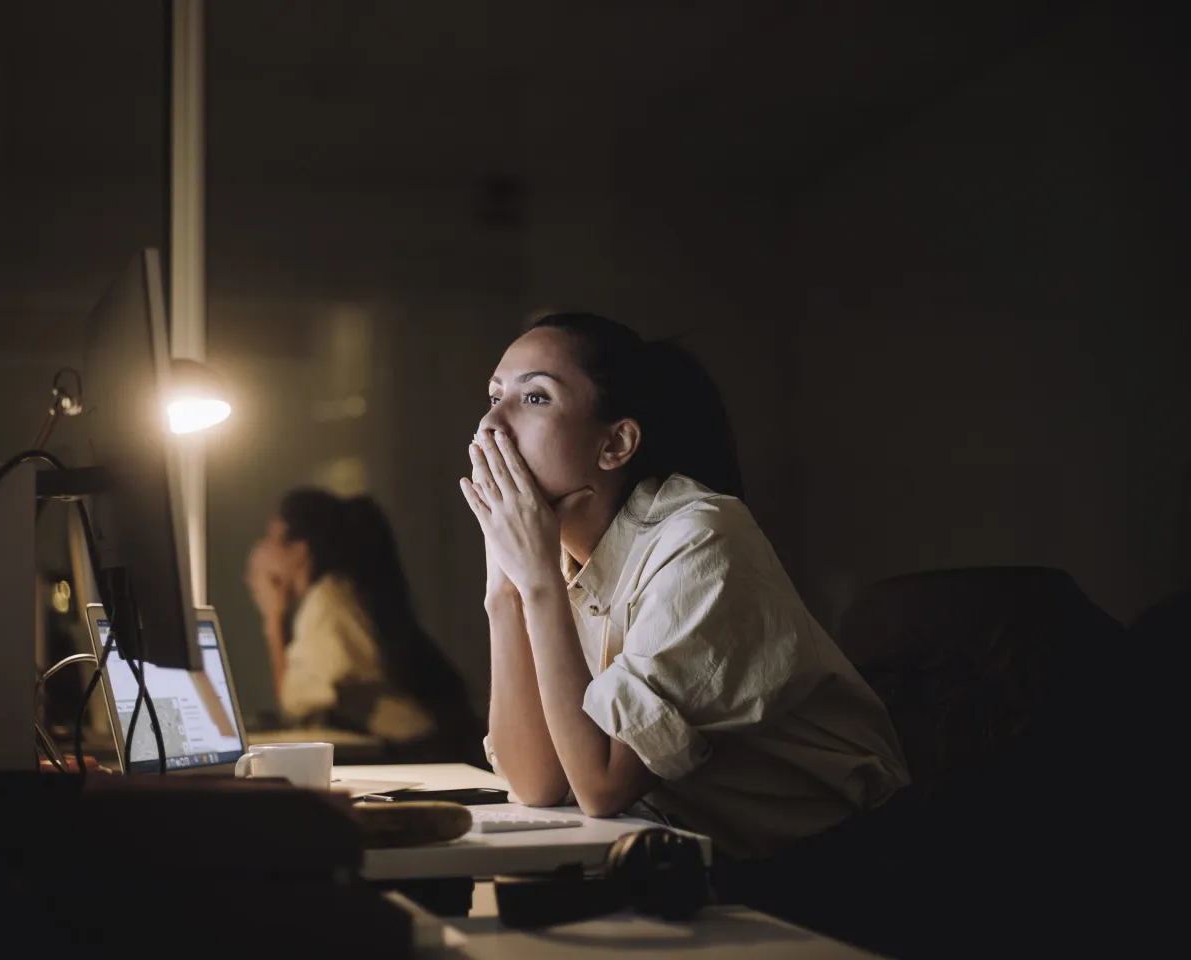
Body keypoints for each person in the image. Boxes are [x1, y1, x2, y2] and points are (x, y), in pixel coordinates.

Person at [459, 313, 910, 872]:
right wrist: (504, 590)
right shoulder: (553, 557)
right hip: (684, 860)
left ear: (616, 443)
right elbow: (537, 784)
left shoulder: (702, 537)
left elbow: (602, 786)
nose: (490, 425)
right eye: (495, 396)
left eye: (534, 398)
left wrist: (537, 584)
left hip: (833, 866)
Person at [245, 489, 482, 763]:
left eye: (272, 538)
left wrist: (273, 619)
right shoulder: (341, 593)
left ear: (299, 551)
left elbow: (295, 704)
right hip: (424, 748)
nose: (260, 551)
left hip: (419, 754)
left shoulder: (327, 601)